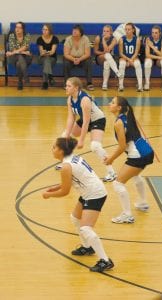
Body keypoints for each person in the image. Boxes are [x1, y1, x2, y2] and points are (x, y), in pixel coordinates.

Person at [42, 137, 114, 272]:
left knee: (86, 228)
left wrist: (49, 195)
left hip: (94, 194)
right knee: (75, 218)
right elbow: (69, 181)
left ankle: (105, 261)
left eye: (54, 147)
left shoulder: (66, 166)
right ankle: (87, 247)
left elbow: (65, 191)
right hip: (89, 192)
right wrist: (55, 188)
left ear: (62, 151)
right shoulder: (72, 158)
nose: (52, 150)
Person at [104, 96, 154, 224]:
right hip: (147, 151)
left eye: (113, 102)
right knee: (136, 175)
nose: (109, 104)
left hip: (138, 155)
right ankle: (142, 203)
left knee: (118, 183)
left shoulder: (119, 123)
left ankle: (127, 215)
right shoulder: (127, 118)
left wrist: (111, 159)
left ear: (119, 108)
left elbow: (122, 147)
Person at [60, 76, 116, 182]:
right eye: (66, 85)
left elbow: (86, 123)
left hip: (97, 120)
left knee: (95, 146)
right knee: (64, 136)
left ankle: (111, 172)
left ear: (76, 88)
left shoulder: (84, 100)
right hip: (85, 119)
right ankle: (67, 162)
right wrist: (67, 133)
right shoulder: (70, 99)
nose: (66, 88)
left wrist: (81, 141)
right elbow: (71, 118)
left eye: (68, 86)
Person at [63, 24, 94, 91]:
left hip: (82, 58)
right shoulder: (68, 39)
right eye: (73, 30)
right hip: (71, 58)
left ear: (80, 33)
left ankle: (89, 83)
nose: (74, 31)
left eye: (76, 31)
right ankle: (67, 84)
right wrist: (73, 59)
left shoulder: (85, 39)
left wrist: (79, 59)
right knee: (66, 62)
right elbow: (66, 54)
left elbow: (88, 54)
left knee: (89, 61)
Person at [94, 24, 122, 90]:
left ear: (111, 33)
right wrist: (103, 39)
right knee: (107, 55)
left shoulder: (114, 39)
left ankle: (104, 84)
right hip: (99, 57)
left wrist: (104, 41)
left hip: (109, 58)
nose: (105, 33)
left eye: (107, 31)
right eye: (104, 31)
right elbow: (95, 51)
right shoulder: (98, 38)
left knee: (106, 62)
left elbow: (107, 50)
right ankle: (117, 71)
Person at [6, 21, 32, 90]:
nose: (17, 29)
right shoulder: (12, 36)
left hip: (26, 58)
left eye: (19, 28)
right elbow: (13, 48)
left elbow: (25, 47)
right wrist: (24, 52)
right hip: (14, 57)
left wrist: (11, 53)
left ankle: (20, 82)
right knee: (19, 57)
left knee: (19, 63)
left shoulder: (27, 35)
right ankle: (25, 76)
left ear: (23, 29)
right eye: (16, 27)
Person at [118, 22, 143, 92]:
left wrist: (131, 60)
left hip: (133, 58)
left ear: (133, 30)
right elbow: (121, 53)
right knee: (122, 64)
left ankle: (140, 86)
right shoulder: (121, 39)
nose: (127, 31)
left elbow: (136, 52)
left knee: (138, 64)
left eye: (129, 29)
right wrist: (128, 60)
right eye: (126, 29)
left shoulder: (137, 39)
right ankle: (120, 85)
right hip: (124, 57)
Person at [144, 25, 162, 91]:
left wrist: (152, 47)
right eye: (152, 32)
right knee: (147, 62)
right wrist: (160, 57)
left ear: (160, 33)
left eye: (156, 33)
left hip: (159, 60)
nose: (154, 34)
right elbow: (147, 55)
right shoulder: (148, 39)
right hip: (152, 58)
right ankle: (147, 83)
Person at [37, 24, 59, 90]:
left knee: (47, 61)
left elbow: (53, 51)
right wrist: (44, 53)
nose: (44, 31)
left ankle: (45, 83)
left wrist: (47, 52)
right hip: (41, 58)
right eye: (43, 29)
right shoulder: (39, 39)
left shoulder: (55, 38)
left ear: (50, 31)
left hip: (52, 58)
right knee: (46, 60)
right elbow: (41, 52)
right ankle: (50, 77)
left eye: (46, 30)